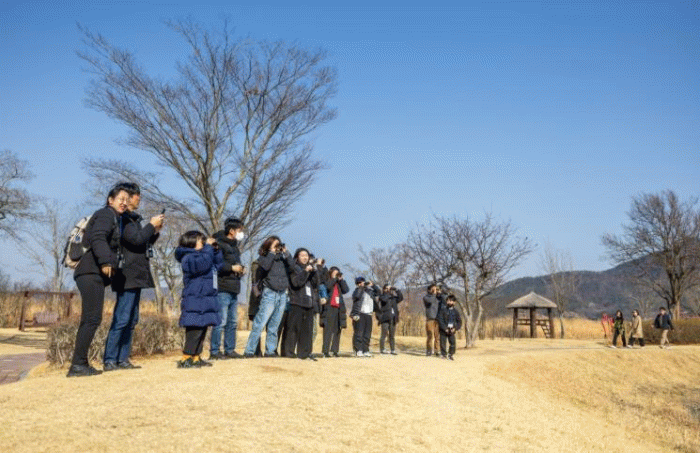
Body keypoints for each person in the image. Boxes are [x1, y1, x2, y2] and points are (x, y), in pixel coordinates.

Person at [67, 185, 130, 377]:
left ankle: (80, 363)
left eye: (127, 200)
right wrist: (105, 261)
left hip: (91, 273)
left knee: (91, 319)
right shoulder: (105, 214)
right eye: (121, 199)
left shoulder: (114, 217)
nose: (124, 202)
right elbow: (98, 237)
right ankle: (78, 365)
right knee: (91, 319)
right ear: (110, 200)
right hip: (90, 271)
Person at [103, 182, 163, 371]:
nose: (139, 200)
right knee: (122, 319)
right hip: (126, 276)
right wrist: (150, 225)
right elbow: (136, 240)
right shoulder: (124, 220)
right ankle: (110, 359)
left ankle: (123, 359)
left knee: (131, 320)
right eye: (138, 196)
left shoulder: (133, 220)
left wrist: (155, 231)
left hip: (135, 276)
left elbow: (142, 242)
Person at [175, 231, 224, 368]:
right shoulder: (188, 257)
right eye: (199, 240)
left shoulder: (205, 254)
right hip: (195, 298)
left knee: (203, 327)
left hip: (206, 298)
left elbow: (218, 266)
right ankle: (186, 358)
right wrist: (208, 248)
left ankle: (196, 357)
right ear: (190, 242)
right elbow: (202, 265)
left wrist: (216, 251)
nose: (203, 242)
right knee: (194, 327)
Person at [243, 236, 293, 358]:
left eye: (279, 244)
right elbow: (265, 266)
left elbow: (293, 267)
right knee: (260, 323)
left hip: (282, 294)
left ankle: (270, 351)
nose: (278, 247)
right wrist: (271, 252)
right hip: (269, 292)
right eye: (275, 245)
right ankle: (249, 350)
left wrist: (287, 253)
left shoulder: (283, 259)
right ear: (269, 246)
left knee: (274, 325)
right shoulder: (264, 257)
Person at [210, 217, 246, 360]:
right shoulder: (218, 244)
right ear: (231, 231)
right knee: (221, 321)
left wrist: (241, 269)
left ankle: (230, 349)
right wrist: (231, 268)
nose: (241, 233)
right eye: (239, 230)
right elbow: (216, 264)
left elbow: (236, 263)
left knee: (232, 322)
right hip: (222, 287)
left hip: (234, 287)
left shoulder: (235, 247)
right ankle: (214, 351)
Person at [283, 248, 321, 360]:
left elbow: (316, 284)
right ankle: (289, 353)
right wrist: (305, 271)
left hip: (309, 302)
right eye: (302, 255)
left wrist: (314, 271)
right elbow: (296, 283)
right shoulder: (294, 268)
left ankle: (304, 353)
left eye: (307, 255)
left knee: (307, 330)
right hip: (297, 301)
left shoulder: (310, 268)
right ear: (297, 257)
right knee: (293, 328)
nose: (305, 257)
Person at [320, 267, 349, 357]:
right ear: (331, 273)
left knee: (337, 330)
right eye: (335, 273)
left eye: (338, 273)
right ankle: (325, 351)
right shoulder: (327, 280)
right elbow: (327, 287)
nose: (337, 274)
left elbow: (346, 290)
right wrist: (334, 279)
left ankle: (335, 350)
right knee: (328, 330)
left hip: (338, 308)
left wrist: (341, 280)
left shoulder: (339, 283)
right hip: (329, 307)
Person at [351, 277, 379, 357]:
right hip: (360, 313)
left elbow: (378, 293)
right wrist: (361, 287)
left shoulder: (369, 291)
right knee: (359, 333)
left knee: (367, 334)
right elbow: (356, 296)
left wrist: (373, 285)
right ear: (357, 284)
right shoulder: (357, 291)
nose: (362, 283)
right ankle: (358, 350)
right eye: (360, 282)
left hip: (368, 314)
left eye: (363, 282)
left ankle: (365, 350)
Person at [377, 284, 403, 355]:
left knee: (392, 335)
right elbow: (384, 299)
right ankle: (382, 349)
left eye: (389, 288)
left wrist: (396, 290)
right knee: (384, 334)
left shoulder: (393, 298)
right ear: (384, 289)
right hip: (385, 318)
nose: (389, 290)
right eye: (387, 288)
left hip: (393, 318)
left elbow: (400, 298)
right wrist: (387, 293)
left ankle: (393, 350)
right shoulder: (382, 296)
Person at [437, 294, 462, 360]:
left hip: (452, 329)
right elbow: (440, 320)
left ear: (454, 302)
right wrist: (445, 328)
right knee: (443, 342)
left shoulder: (456, 312)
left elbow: (459, 322)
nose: (449, 302)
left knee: (453, 343)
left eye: (451, 301)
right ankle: (443, 354)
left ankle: (450, 354)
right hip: (444, 329)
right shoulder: (443, 310)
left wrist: (455, 328)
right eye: (448, 301)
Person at [423, 284, 444, 357]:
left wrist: (440, 293)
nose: (435, 290)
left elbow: (444, 301)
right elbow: (430, 301)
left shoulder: (438, 297)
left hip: (437, 319)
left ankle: (437, 350)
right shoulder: (426, 297)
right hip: (430, 319)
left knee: (437, 336)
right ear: (429, 290)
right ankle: (429, 350)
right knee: (430, 335)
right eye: (433, 289)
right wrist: (434, 294)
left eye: (435, 289)